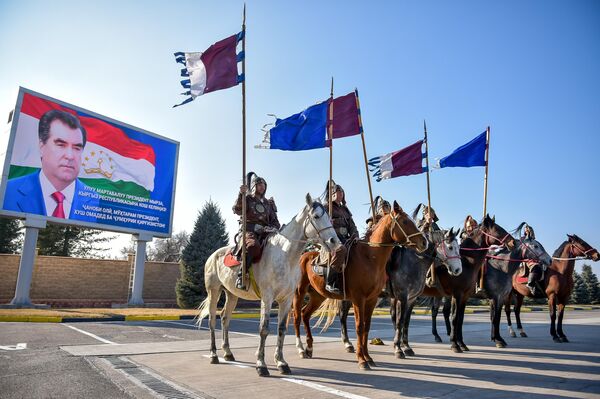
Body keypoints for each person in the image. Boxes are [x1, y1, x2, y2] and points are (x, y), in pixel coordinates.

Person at [3, 109, 98, 221]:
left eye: (77, 148)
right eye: (61, 145)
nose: (70, 156)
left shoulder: (95, 200)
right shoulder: (7, 190)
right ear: (42, 146)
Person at [232, 172, 280, 290]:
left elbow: (275, 221)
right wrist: (241, 194)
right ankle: (242, 275)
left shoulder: (269, 203)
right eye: (259, 184)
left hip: (266, 233)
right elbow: (238, 210)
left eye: (264, 184)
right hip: (249, 231)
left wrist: (273, 228)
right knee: (253, 246)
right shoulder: (247, 198)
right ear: (253, 186)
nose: (262, 186)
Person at [323, 181, 358, 294]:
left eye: (342, 192)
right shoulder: (326, 207)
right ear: (332, 194)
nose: (340, 194)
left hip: (346, 237)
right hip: (332, 237)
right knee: (341, 250)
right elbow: (320, 223)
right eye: (338, 192)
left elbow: (352, 225)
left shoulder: (345, 209)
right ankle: (330, 281)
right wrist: (328, 222)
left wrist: (356, 235)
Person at [520, 223, 542, 295]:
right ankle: (530, 284)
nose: (527, 232)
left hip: (537, 259)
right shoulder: (522, 239)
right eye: (526, 231)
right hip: (527, 259)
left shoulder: (535, 241)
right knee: (535, 266)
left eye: (528, 231)